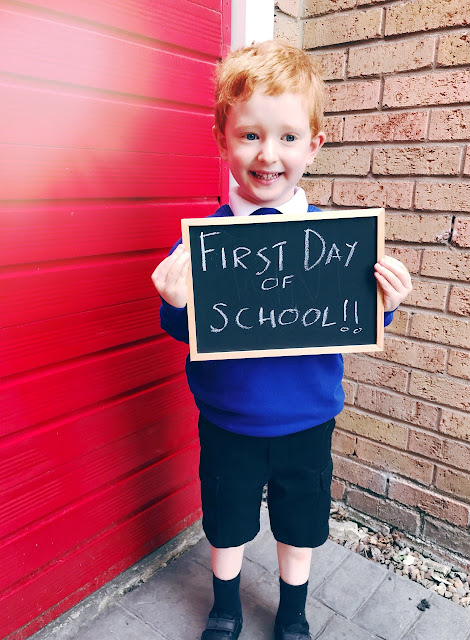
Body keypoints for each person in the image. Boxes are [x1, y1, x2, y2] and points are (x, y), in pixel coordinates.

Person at [151, 40, 412, 640]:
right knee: (226, 520)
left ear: (314, 145)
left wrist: (384, 304)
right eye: (249, 136)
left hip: (307, 419)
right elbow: (183, 331)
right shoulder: (198, 248)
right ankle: (225, 607)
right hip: (227, 420)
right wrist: (173, 304)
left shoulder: (337, 243)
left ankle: (293, 611)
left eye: (289, 137)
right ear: (223, 142)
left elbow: (353, 318)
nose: (268, 154)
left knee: (300, 522)